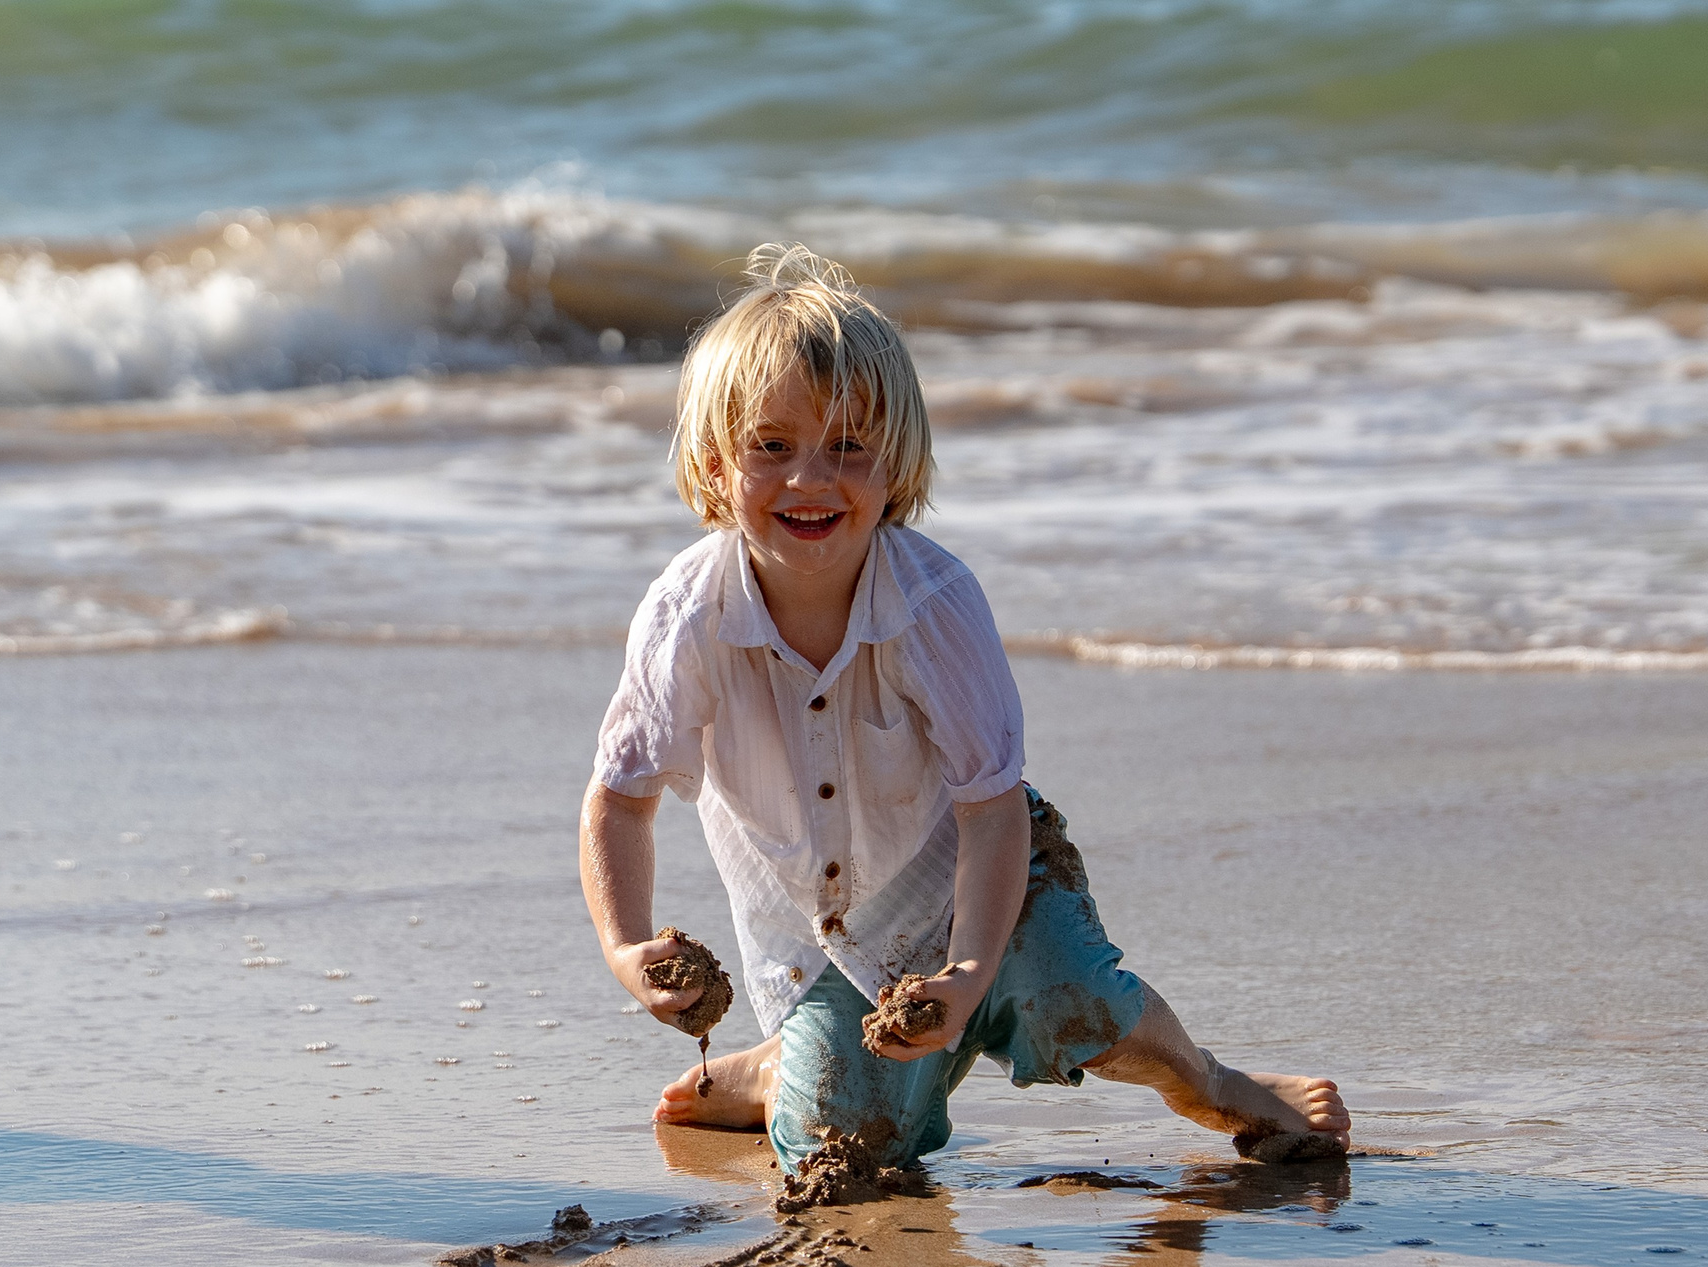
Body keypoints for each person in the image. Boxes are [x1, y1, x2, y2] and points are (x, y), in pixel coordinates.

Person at [578, 244, 1349, 1172]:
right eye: (772, 447)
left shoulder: (934, 607)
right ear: (714, 462)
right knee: (848, 1148)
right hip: (830, 944)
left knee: (1083, 1002)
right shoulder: (686, 615)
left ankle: (1219, 1081)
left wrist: (972, 970)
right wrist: (627, 949)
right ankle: (785, 1067)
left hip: (982, 874)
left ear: (896, 461)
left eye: (849, 446)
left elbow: (990, 810)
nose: (812, 479)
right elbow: (622, 798)